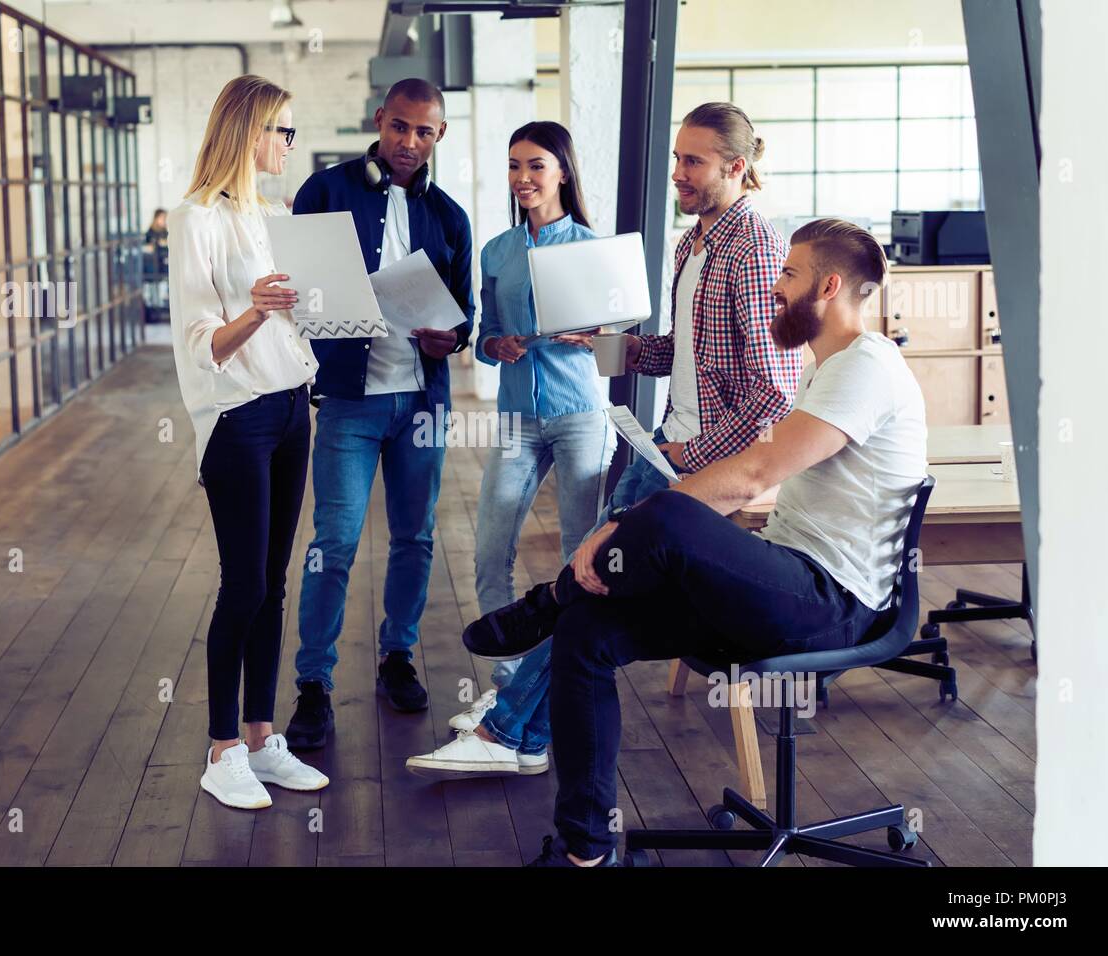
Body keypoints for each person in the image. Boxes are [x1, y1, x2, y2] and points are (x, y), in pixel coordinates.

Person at [463, 218, 928, 866]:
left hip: (834, 604)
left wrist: (624, 527)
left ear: (828, 285)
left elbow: (757, 473)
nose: (775, 288)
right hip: (785, 581)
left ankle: (550, 596)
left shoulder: (867, 366)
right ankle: (586, 851)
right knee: (588, 631)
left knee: (668, 514)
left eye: (788, 276)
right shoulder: (826, 370)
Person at [420, 102, 802, 777]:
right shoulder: (694, 244)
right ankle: (520, 731)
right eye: (677, 158)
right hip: (662, 443)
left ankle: (509, 731)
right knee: (586, 581)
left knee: (586, 577)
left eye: (693, 161)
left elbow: (774, 391)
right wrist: (611, 346)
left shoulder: (754, 249)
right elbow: (678, 352)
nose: (678, 173)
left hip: (693, 458)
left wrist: (697, 454)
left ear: (737, 168)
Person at [405, 121, 613, 780]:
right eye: (515, 166)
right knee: (489, 546)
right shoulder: (496, 250)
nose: (524, 178)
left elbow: (621, 347)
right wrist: (498, 347)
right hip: (518, 417)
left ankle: (551, 703)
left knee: (584, 564)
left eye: (538, 167)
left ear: (563, 174)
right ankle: (515, 680)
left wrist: (595, 338)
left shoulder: (591, 247)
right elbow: (484, 332)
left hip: (581, 415)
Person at [284, 78, 475, 750]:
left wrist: (448, 337)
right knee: (332, 542)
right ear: (379, 121)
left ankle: (398, 657)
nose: (409, 142)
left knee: (416, 537)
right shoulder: (325, 193)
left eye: (424, 132)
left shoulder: (450, 217)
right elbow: (296, 291)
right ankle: (314, 684)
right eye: (400, 127)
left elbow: (465, 317)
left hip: (419, 399)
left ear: (439, 136)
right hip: (348, 401)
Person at [168, 74, 329, 810]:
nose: (289, 144)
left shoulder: (276, 214)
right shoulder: (195, 217)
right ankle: (221, 748)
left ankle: (264, 741)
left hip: (293, 405)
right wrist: (260, 312)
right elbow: (202, 342)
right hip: (237, 418)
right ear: (248, 131)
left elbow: (298, 314)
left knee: (275, 582)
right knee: (245, 585)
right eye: (282, 130)